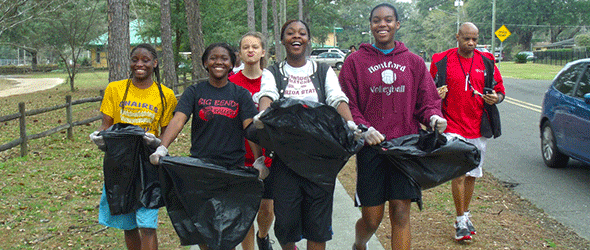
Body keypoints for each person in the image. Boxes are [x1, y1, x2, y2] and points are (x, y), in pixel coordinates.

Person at [338, 3, 446, 250]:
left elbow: (427, 101)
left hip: (405, 148)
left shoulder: (414, 62)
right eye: (377, 20)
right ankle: (359, 244)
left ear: (397, 24)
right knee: (372, 218)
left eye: (388, 20)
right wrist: (364, 128)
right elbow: (347, 104)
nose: (382, 24)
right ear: (371, 25)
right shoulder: (355, 62)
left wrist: (433, 118)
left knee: (400, 213)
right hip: (372, 148)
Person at [149, 42, 265, 250]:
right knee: (204, 226)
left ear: (231, 64)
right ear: (205, 63)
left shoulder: (240, 94)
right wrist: (162, 147)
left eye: (224, 58)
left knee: (229, 227)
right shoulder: (195, 91)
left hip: (232, 170)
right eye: (213, 58)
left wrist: (258, 160)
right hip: (200, 169)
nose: (218, 62)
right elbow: (178, 120)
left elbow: (249, 130)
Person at [253, 19, 357, 250]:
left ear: (308, 39)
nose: (296, 37)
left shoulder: (322, 70)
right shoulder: (273, 72)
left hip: (320, 161)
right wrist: (263, 114)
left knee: (317, 227)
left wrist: (349, 123)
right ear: (282, 40)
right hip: (285, 160)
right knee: (286, 225)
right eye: (290, 33)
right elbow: (267, 94)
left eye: (301, 33)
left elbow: (336, 97)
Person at [89, 43, 178, 250]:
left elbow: (166, 132)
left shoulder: (166, 95)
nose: (139, 64)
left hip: (148, 164)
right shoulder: (115, 89)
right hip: (120, 163)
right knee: (127, 223)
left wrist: (157, 144)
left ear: (154, 63)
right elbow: (106, 125)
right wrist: (100, 139)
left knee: (147, 225)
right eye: (135, 60)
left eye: (145, 60)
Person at [430, 22, 505, 241]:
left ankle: (465, 213)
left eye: (475, 39)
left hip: (478, 126)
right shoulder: (441, 60)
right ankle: (460, 219)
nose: (471, 43)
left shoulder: (487, 61)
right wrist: (437, 94)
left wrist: (496, 98)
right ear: (457, 37)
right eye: (466, 39)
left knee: (472, 174)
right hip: (452, 125)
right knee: (459, 173)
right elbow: (428, 91)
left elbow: (500, 90)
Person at [229, 31, 275, 250]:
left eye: (255, 47)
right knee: (245, 211)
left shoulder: (271, 80)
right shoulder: (231, 82)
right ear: (239, 52)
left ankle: (263, 235)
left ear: (263, 52)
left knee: (266, 209)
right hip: (239, 154)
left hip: (267, 156)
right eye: (245, 47)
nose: (250, 50)